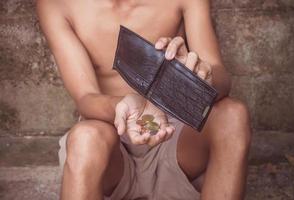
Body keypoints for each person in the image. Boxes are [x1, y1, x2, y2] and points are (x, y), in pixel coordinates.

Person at [36, 0, 252, 199]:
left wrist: (201, 78)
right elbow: (85, 97)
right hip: (113, 150)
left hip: (176, 142)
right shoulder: (57, 4)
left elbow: (220, 75)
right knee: (85, 137)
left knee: (233, 115)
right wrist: (125, 106)